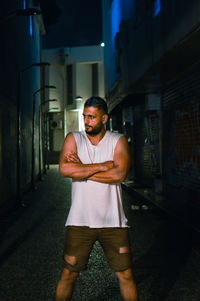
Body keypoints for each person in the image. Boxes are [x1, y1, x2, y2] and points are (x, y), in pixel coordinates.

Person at [56, 96, 139, 301]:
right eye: (85, 116)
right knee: (68, 274)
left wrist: (82, 169)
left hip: (114, 221)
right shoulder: (73, 138)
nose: (86, 121)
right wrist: (103, 166)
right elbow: (65, 169)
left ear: (104, 119)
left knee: (126, 274)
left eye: (92, 117)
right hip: (79, 220)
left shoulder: (117, 140)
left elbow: (119, 175)